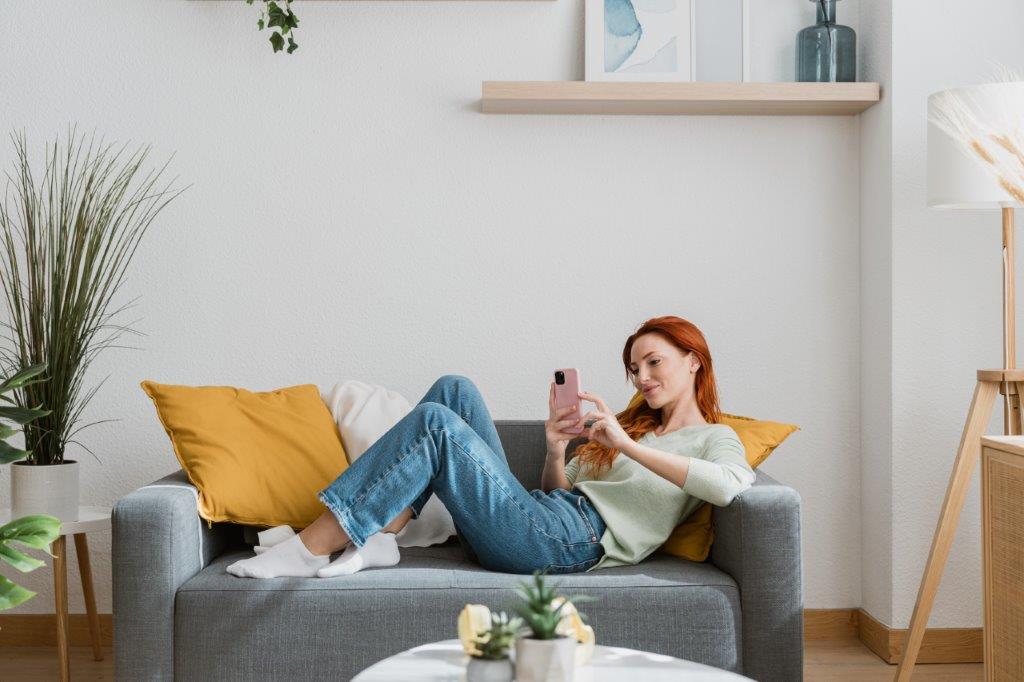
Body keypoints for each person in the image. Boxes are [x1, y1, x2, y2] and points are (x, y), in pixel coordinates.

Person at [226, 315, 755, 579]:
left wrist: (626, 445)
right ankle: (383, 537)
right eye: (634, 368)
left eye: (653, 362)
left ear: (694, 360)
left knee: (435, 421)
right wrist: (553, 449)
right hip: (542, 517)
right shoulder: (634, 429)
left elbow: (728, 487)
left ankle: (309, 546)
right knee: (454, 390)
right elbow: (561, 492)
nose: (640, 376)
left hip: (567, 542)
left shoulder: (715, 438)